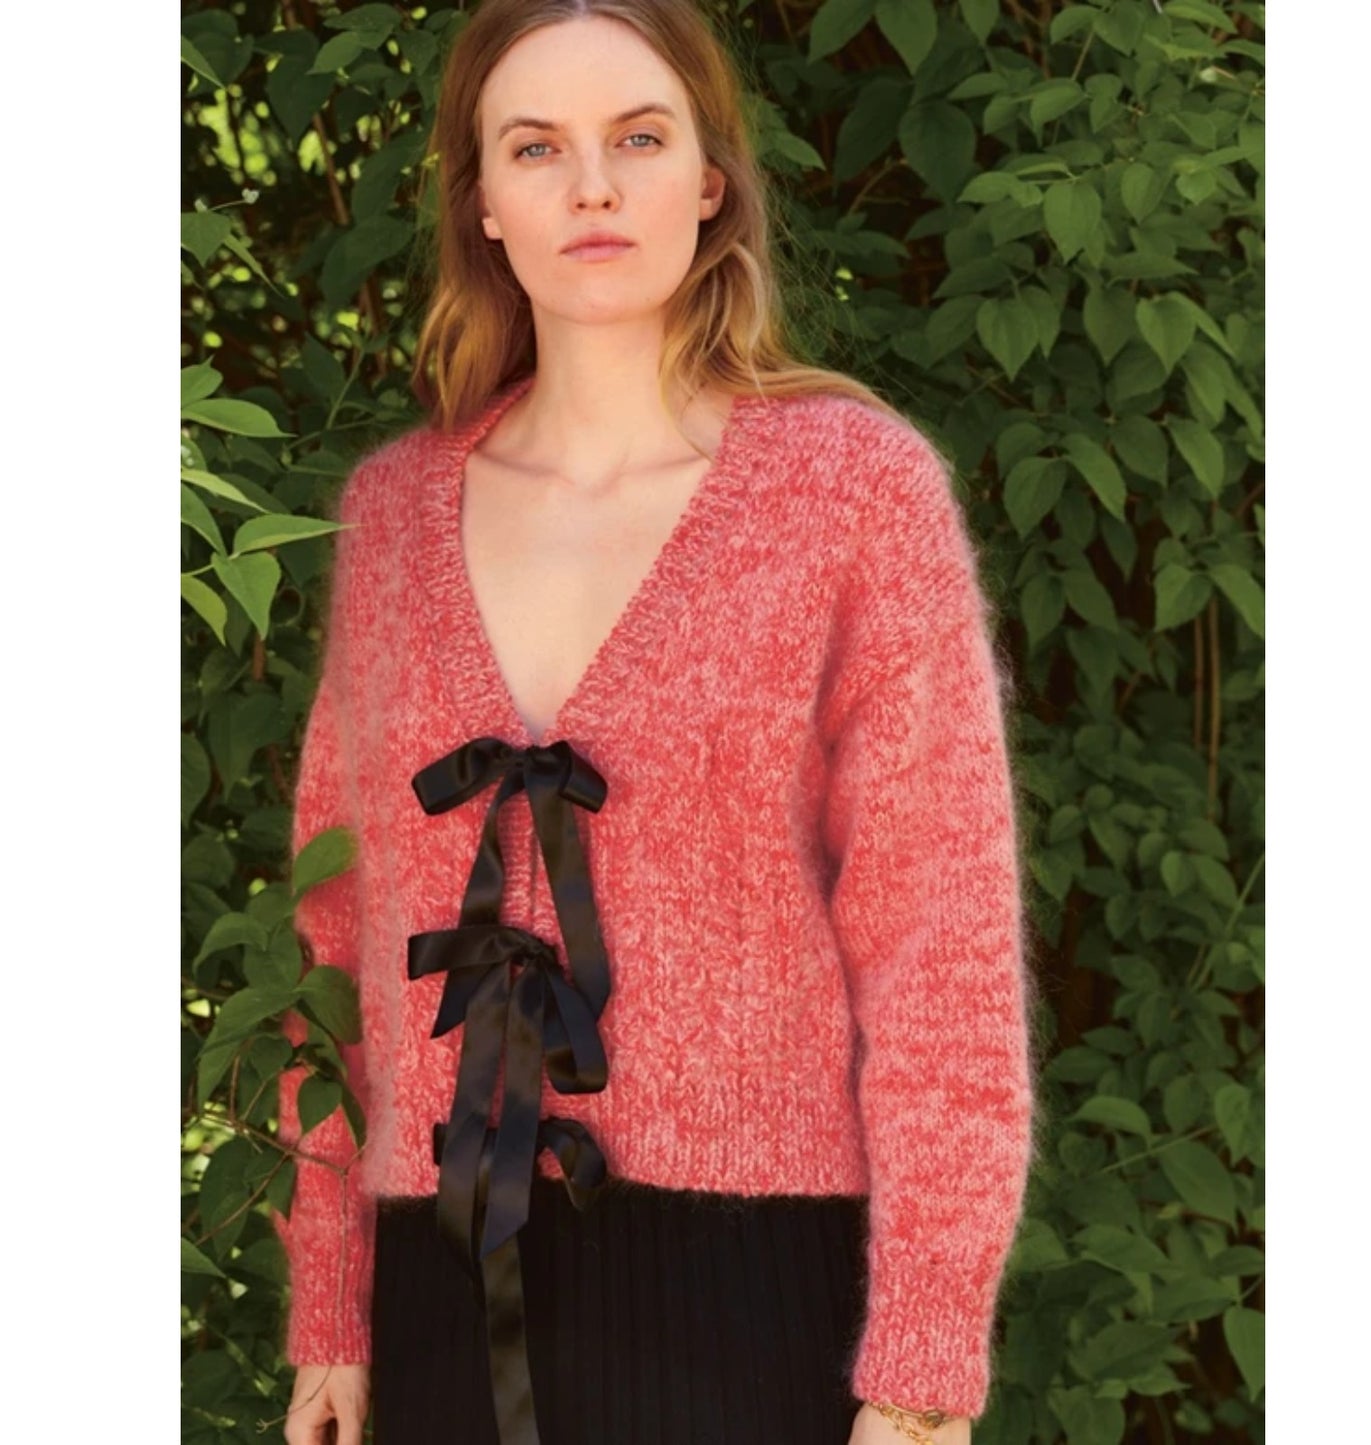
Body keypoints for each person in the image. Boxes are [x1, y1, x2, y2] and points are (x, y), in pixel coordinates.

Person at [275, 2, 1036, 1443]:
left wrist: (925, 1361)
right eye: (535, 148)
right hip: (443, 1299)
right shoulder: (391, 519)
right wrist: (331, 1306)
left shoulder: (851, 494)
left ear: (708, 180)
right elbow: (338, 942)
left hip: (762, 1305)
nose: (591, 187)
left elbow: (940, 950)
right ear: (482, 204)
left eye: (637, 138)